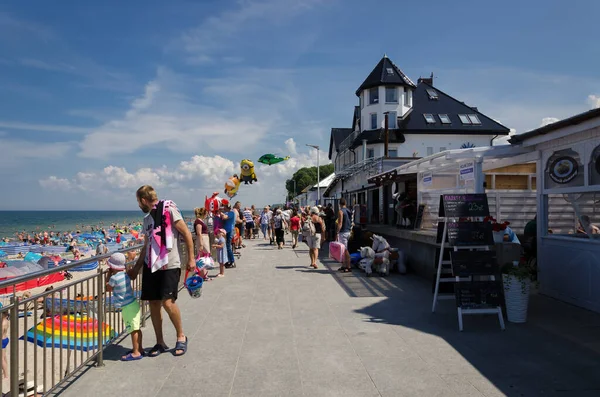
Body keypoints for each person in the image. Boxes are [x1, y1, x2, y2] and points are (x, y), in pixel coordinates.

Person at [129, 185, 194, 357]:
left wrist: (192, 258)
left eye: (138, 201)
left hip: (169, 264)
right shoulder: (147, 220)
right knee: (154, 303)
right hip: (151, 265)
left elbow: (186, 233)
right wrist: (136, 269)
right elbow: (146, 246)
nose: (139, 205)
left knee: (168, 302)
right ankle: (160, 342)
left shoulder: (169, 210)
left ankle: (181, 336)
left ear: (143, 200)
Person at [106, 252, 144, 361]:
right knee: (136, 328)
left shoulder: (114, 278)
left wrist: (108, 275)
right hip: (133, 304)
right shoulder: (125, 275)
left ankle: (136, 352)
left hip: (127, 307)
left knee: (132, 330)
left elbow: (108, 288)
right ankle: (139, 348)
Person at [336, 198, 353, 273]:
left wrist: (337, 232)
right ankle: (343, 265)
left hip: (343, 232)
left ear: (339, 204)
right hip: (348, 231)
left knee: (345, 250)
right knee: (343, 250)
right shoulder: (349, 210)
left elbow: (340, 223)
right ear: (345, 203)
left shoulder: (340, 211)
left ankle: (348, 266)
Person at [219, 202, 237, 268]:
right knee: (226, 247)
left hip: (229, 231)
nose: (223, 208)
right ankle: (228, 260)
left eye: (224, 207)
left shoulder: (231, 213)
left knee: (228, 246)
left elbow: (225, 217)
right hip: (225, 231)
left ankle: (232, 261)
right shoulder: (226, 212)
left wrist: (220, 212)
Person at [2, 308, 8, 379]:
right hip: (5, 339)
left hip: (2, 341)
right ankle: (5, 372)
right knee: (4, 357)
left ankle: (6, 375)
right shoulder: (6, 321)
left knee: (2, 359)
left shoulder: (2, 323)